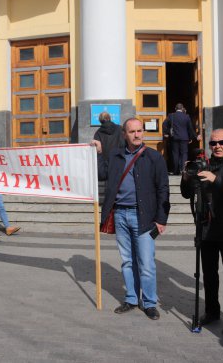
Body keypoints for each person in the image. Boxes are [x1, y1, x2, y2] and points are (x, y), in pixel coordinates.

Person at [92, 118, 170, 320]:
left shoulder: (154, 157)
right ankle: (132, 299)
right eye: (132, 131)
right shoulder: (116, 155)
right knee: (127, 261)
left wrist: (161, 219)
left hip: (143, 216)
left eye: (140, 131)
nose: (137, 135)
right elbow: (101, 174)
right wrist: (99, 153)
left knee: (146, 263)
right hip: (120, 214)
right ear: (124, 134)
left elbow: (163, 189)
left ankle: (150, 302)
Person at [180, 129, 223, 334]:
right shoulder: (203, 164)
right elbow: (186, 194)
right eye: (213, 143)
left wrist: (215, 179)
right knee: (209, 275)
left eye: (222, 142)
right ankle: (212, 312)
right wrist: (186, 177)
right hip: (205, 228)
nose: (217, 146)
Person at [163, 103, 200, 174]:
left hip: (174, 138)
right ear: (182, 108)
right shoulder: (186, 117)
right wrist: (195, 136)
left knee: (175, 154)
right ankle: (183, 169)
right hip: (184, 138)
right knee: (184, 154)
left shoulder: (171, 115)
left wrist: (166, 133)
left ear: (175, 108)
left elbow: (164, 124)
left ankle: (175, 170)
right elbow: (190, 128)